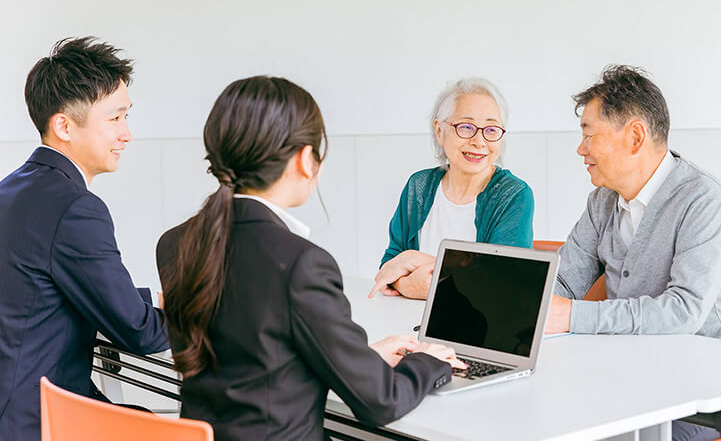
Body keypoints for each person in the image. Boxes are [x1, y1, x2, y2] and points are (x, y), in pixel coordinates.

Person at [157, 76, 464, 441]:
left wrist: (361, 358)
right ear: (305, 159)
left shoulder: (175, 243)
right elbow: (380, 402)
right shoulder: (301, 263)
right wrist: (429, 362)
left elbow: (255, 358)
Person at [546, 65, 721, 441]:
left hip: (708, 391)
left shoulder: (702, 200)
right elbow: (561, 283)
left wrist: (570, 316)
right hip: (630, 372)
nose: (581, 149)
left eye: (588, 135)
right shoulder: (602, 202)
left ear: (635, 136)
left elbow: (683, 312)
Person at [0, 37, 169, 441]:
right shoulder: (76, 208)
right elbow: (141, 333)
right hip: (38, 421)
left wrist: (149, 299)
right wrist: (201, 312)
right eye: (115, 119)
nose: (126, 134)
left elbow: (45, 291)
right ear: (64, 126)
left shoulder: (12, 190)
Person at [369, 77, 534, 300]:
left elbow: (500, 281)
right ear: (439, 130)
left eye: (491, 129)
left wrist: (413, 260)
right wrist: (408, 284)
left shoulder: (513, 195)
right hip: (408, 322)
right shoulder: (419, 187)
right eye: (466, 127)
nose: (479, 141)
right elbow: (389, 267)